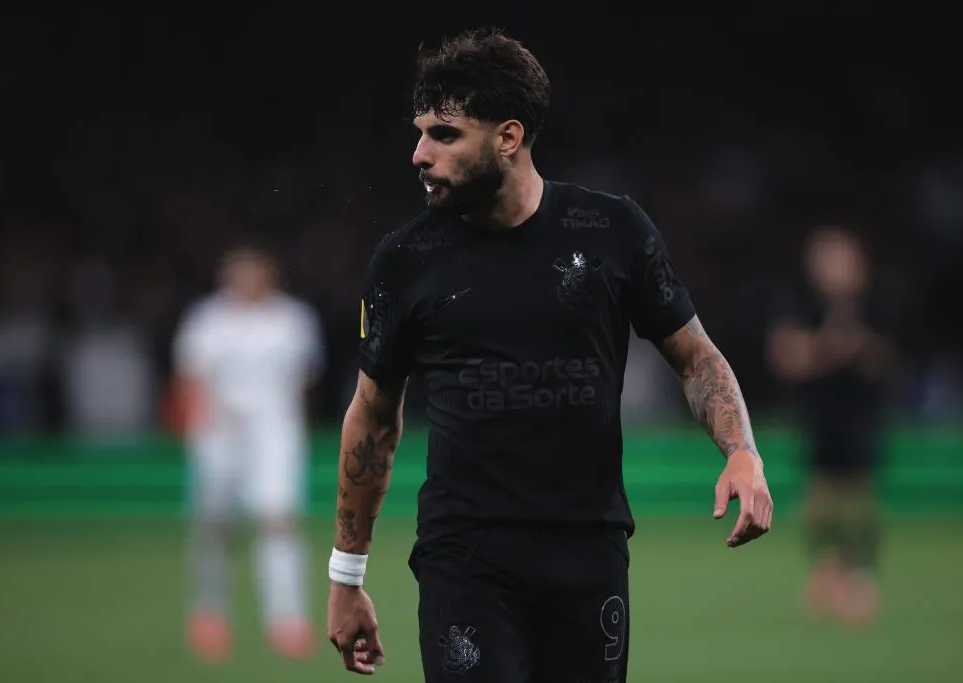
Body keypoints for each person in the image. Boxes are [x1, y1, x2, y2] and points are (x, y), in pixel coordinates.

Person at [326, 28, 773, 681]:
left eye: (444, 134)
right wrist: (347, 574)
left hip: (588, 559)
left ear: (508, 137)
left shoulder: (612, 232)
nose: (420, 154)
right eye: (421, 132)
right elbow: (373, 416)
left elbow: (695, 356)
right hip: (465, 558)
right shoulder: (405, 260)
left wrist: (741, 449)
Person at [173, 238, 325, 662]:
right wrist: (198, 432)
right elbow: (191, 380)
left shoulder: (293, 320)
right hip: (218, 436)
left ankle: (287, 621)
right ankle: (209, 616)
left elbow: (303, 385)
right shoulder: (207, 320)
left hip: (276, 436)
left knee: (279, 522)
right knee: (214, 527)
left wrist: (296, 434)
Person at [767, 225, 894, 625]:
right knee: (819, 502)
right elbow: (787, 355)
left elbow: (886, 361)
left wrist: (857, 347)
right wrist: (831, 348)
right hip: (819, 416)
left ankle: (860, 575)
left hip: (862, 416)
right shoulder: (797, 302)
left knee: (859, 499)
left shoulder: (878, 304)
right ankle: (827, 569)